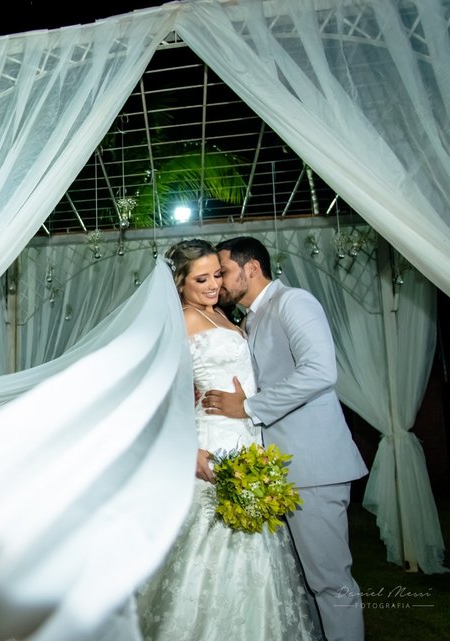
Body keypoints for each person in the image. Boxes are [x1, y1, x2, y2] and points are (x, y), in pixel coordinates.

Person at [132, 239, 319, 641]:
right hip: (212, 442)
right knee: (213, 548)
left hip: (248, 440)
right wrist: (188, 447)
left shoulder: (222, 314)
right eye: (201, 279)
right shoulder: (182, 321)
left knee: (256, 551)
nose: (214, 284)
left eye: (217, 274)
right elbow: (158, 392)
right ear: (179, 283)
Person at [202, 236, 368, 641]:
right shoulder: (250, 319)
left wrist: (249, 407)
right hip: (277, 471)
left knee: (330, 581)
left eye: (224, 271)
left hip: (314, 465)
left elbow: (320, 371)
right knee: (304, 584)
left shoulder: (293, 302)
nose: (219, 282)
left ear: (252, 268)